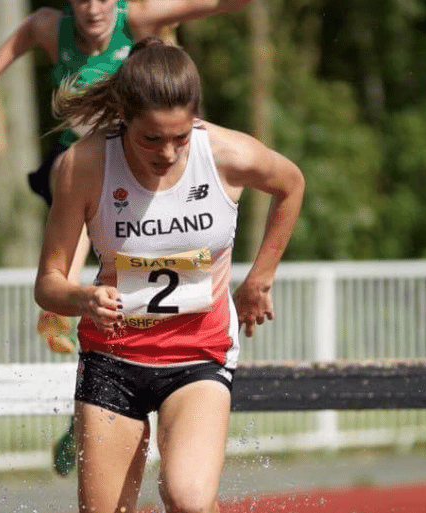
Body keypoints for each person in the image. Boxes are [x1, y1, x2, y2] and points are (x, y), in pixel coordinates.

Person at [34, 38, 304, 513]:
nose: (167, 153)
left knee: (188, 500)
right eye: (150, 139)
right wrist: (84, 298)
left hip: (197, 356)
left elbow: (291, 184)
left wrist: (259, 278)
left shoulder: (225, 153)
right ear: (123, 116)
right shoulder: (86, 165)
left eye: (180, 136)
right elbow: (49, 285)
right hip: (113, 359)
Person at [0, 0, 254, 354]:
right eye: (83, 1)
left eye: (104, 0)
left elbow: (205, 5)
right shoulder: (51, 27)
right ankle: (58, 300)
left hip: (138, 158)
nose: (93, 10)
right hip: (81, 157)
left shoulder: (138, 18)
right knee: (77, 185)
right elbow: (26, 33)